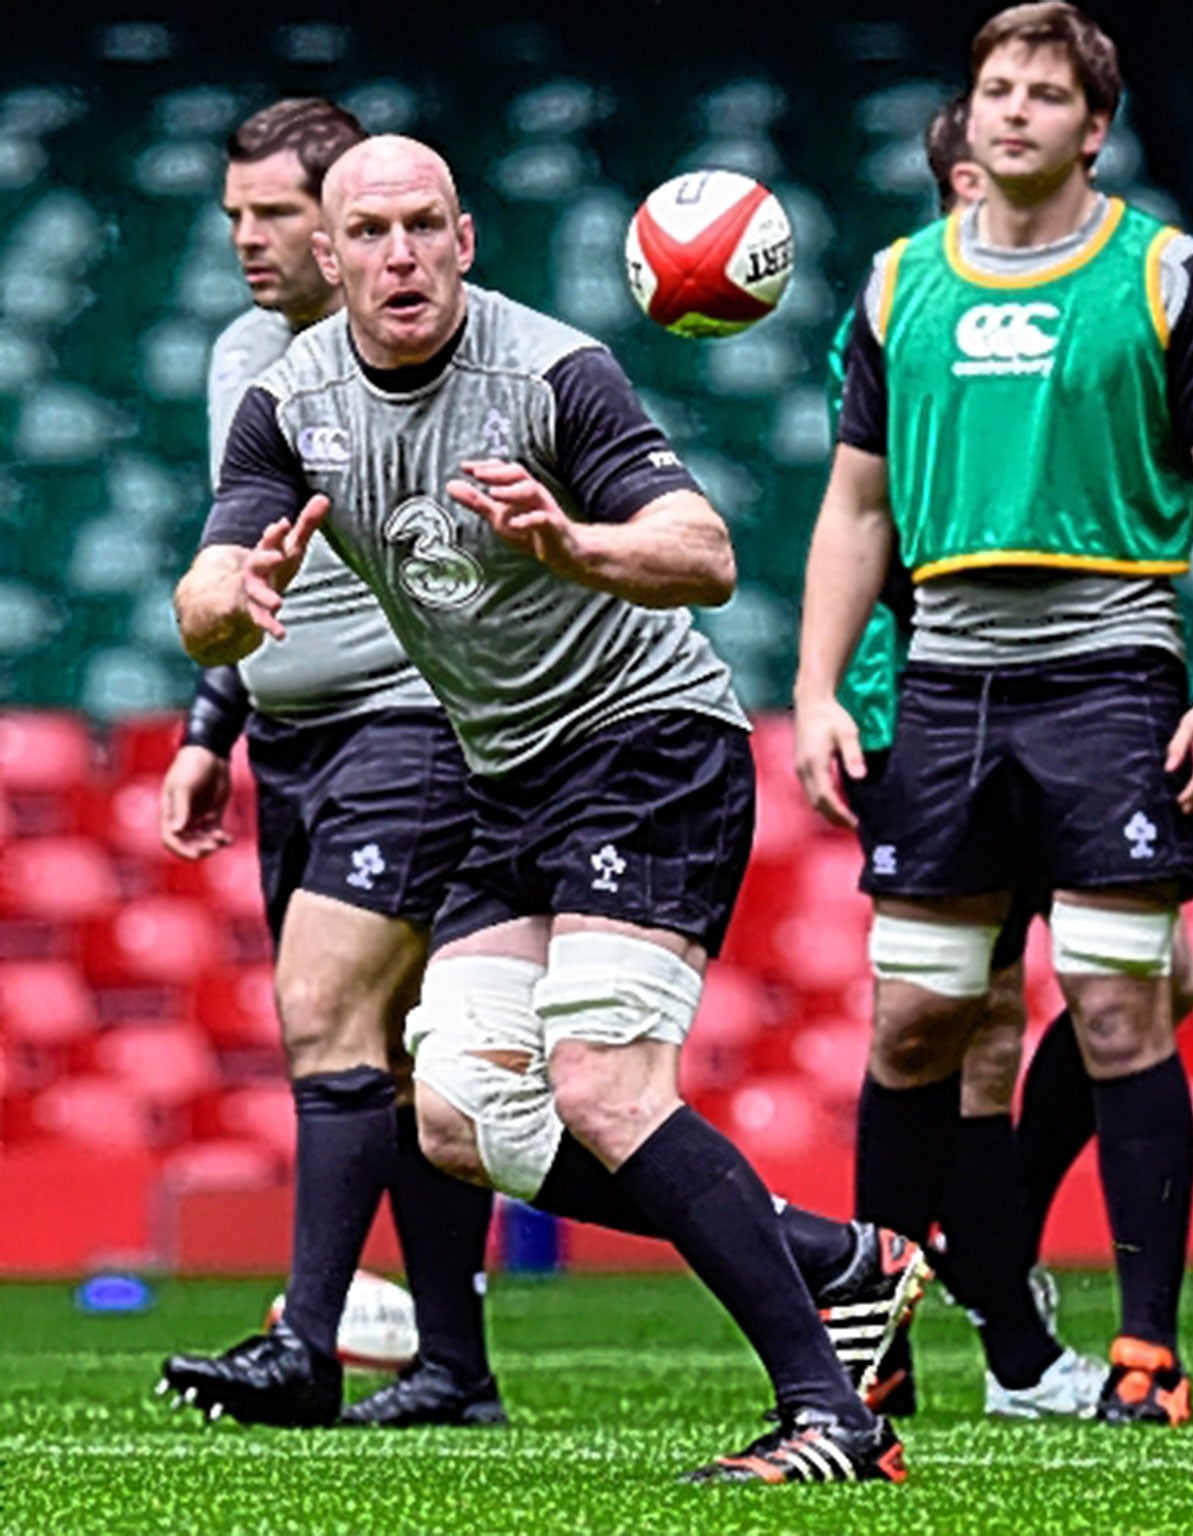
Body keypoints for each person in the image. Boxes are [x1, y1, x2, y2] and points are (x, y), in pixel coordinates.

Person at [175, 134, 907, 1485]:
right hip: (504, 774)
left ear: (466, 239)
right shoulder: (288, 400)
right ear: (328, 259)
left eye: (424, 226)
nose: (401, 255)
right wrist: (237, 599)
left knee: (602, 1085)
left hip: (647, 749)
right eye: (371, 233)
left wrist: (579, 545)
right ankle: (840, 1258)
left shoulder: (552, 371)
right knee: (456, 1118)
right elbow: (205, 590)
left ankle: (835, 1418)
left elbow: (706, 554)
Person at [795, 1, 1193, 1427]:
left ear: (1094, 126)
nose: (1012, 109)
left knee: (1127, 1004)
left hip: (1111, 670)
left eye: (1044, 93)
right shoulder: (898, 287)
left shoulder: (1167, 276)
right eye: (996, 86)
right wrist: (820, 688)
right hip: (943, 681)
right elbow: (855, 507)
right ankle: (869, 1350)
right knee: (915, 1029)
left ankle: (1145, 1356)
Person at [156, 97, 505, 1432]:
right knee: (404, 1059)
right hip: (296, 739)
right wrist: (210, 726)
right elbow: (240, 559)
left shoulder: (457, 360)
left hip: (416, 726)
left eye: (278, 214)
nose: (249, 239)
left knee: (322, 1005)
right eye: (236, 214)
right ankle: (454, 1371)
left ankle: (306, 1340)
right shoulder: (245, 354)